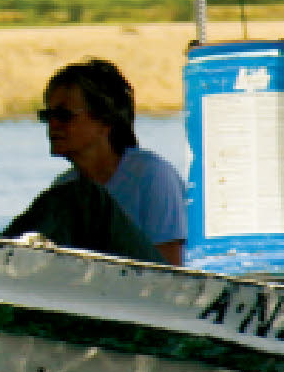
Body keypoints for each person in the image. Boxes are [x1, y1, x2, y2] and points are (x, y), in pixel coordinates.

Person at [17, 59, 188, 266]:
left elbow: (171, 270)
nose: (53, 125)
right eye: (48, 115)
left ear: (105, 121)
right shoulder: (64, 186)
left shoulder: (151, 175)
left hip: (145, 288)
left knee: (85, 197)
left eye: (64, 116)